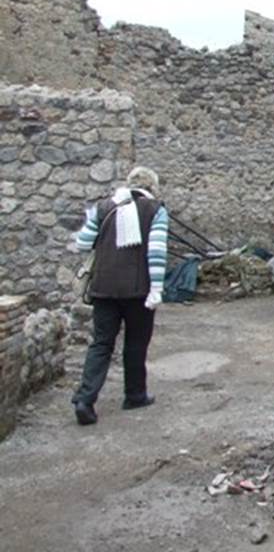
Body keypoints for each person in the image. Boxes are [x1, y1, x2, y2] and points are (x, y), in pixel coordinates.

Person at [71, 166, 168, 426]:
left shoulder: (104, 207)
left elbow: (82, 243)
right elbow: (156, 252)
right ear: (152, 187)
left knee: (101, 343)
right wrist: (157, 289)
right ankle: (135, 395)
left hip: (103, 288)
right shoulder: (155, 210)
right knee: (136, 343)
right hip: (138, 291)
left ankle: (85, 399)